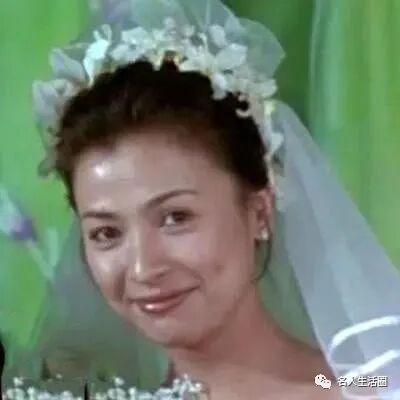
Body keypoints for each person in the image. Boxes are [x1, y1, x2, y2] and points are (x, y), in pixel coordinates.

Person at [32, 0, 400, 398]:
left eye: (176, 217)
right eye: (106, 233)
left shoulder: (366, 385)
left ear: (259, 212)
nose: (143, 268)